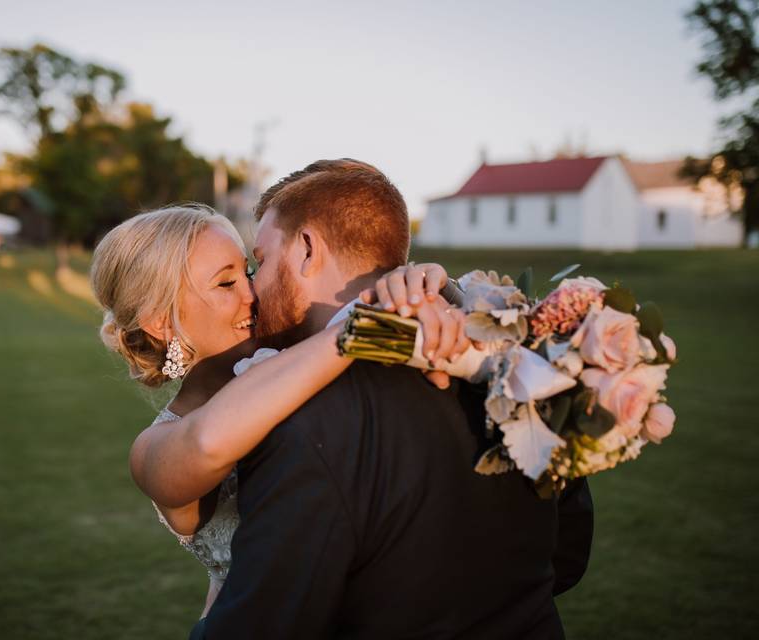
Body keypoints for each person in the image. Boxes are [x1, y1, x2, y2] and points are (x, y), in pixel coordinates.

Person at [188, 159, 594, 639]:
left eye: (261, 261)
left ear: (307, 249)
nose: (254, 287)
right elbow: (565, 558)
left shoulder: (303, 422)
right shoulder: (515, 368)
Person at [90, 201, 468, 618]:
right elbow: (208, 443)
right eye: (225, 284)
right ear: (160, 321)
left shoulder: (295, 351)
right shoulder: (153, 452)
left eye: (248, 273)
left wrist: (413, 286)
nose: (252, 294)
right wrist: (361, 325)